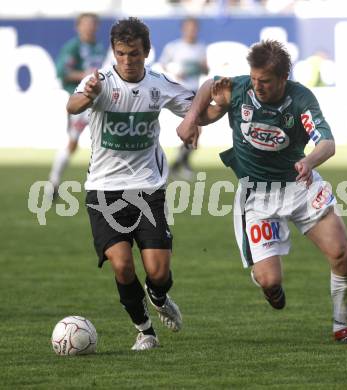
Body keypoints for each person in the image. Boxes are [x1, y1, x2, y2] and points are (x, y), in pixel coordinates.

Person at [176, 40, 347, 344]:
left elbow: (327, 143)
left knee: (341, 253)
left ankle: (342, 326)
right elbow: (208, 87)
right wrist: (190, 119)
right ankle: (268, 284)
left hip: (300, 186)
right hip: (258, 195)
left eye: (264, 81)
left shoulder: (301, 99)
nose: (257, 86)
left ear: (283, 78)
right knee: (270, 280)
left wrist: (309, 160)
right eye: (253, 79)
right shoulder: (239, 89)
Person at [67, 17, 197, 351]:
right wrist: (88, 95)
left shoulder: (159, 84)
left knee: (158, 271)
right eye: (121, 54)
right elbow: (73, 104)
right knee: (123, 266)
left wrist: (204, 113)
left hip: (148, 188)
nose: (127, 61)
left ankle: (158, 294)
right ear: (114, 52)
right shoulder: (99, 82)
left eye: (134, 54)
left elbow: (195, 108)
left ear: (146, 52)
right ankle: (145, 331)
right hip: (103, 190)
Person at [47, 13, 105, 198]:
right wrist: (85, 75)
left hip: (100, 101)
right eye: (86, 24)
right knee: (72, 143)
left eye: (92, 24)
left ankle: (109, 187)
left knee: (109, 143)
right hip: (81, 101)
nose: (89, 28)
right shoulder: (72, 47)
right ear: (78, 27)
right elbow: (63, 72)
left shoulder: (100, 47)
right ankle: (54, 181)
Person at [159, 17, 208, 180]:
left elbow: (205, 69)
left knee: (196, 130)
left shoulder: (201, 47)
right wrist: (174, 71)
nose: (191, 30)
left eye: (194, 27)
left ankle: (178, 163)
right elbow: (163, 65)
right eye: (189, 27)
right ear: (183, 29)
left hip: (195, 91)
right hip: (179, 92)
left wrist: (203, 67)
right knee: (195, 129)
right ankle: (180, 164)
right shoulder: (174, 47)